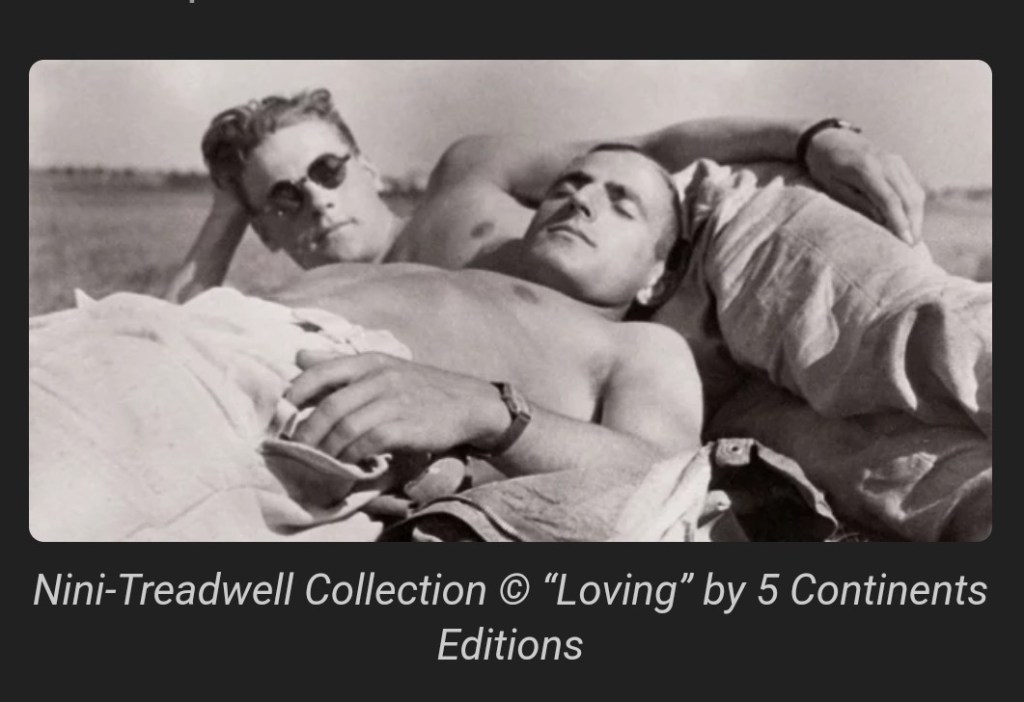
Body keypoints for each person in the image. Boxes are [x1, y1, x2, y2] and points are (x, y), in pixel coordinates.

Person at [31, 146, 714, 541]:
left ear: (658, 275)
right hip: (133, 332)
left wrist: (487, 410)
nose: (581, 200)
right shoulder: (447, 269)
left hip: (286, 390)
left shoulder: (639, 345)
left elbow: (662, 482)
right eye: (570, 184)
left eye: (622, 203)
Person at [166, 88, 923, 303]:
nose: (317, 200)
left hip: (715, 281)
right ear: (264, 230)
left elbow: (650, 151)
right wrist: (228, 205)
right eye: (284, 199)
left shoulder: (469, 171)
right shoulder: (318, 311)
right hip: (681, 396)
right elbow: (162, 334)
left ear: (366, 167)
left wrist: (813, 135)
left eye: (328, 170)